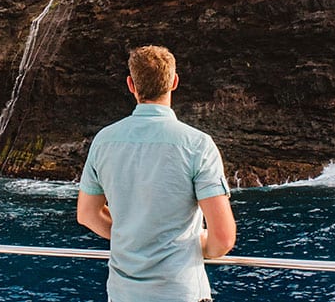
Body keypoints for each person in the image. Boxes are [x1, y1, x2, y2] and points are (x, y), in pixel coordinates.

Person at [77, 45, 236, 302]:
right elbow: (223, 238)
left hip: (122, 294)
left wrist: (133, 236)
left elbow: (87, 214)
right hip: (181, 292)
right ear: (174, 82)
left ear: (131, 85)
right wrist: (192, 245)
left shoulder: (103, 141)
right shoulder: (198, 144)